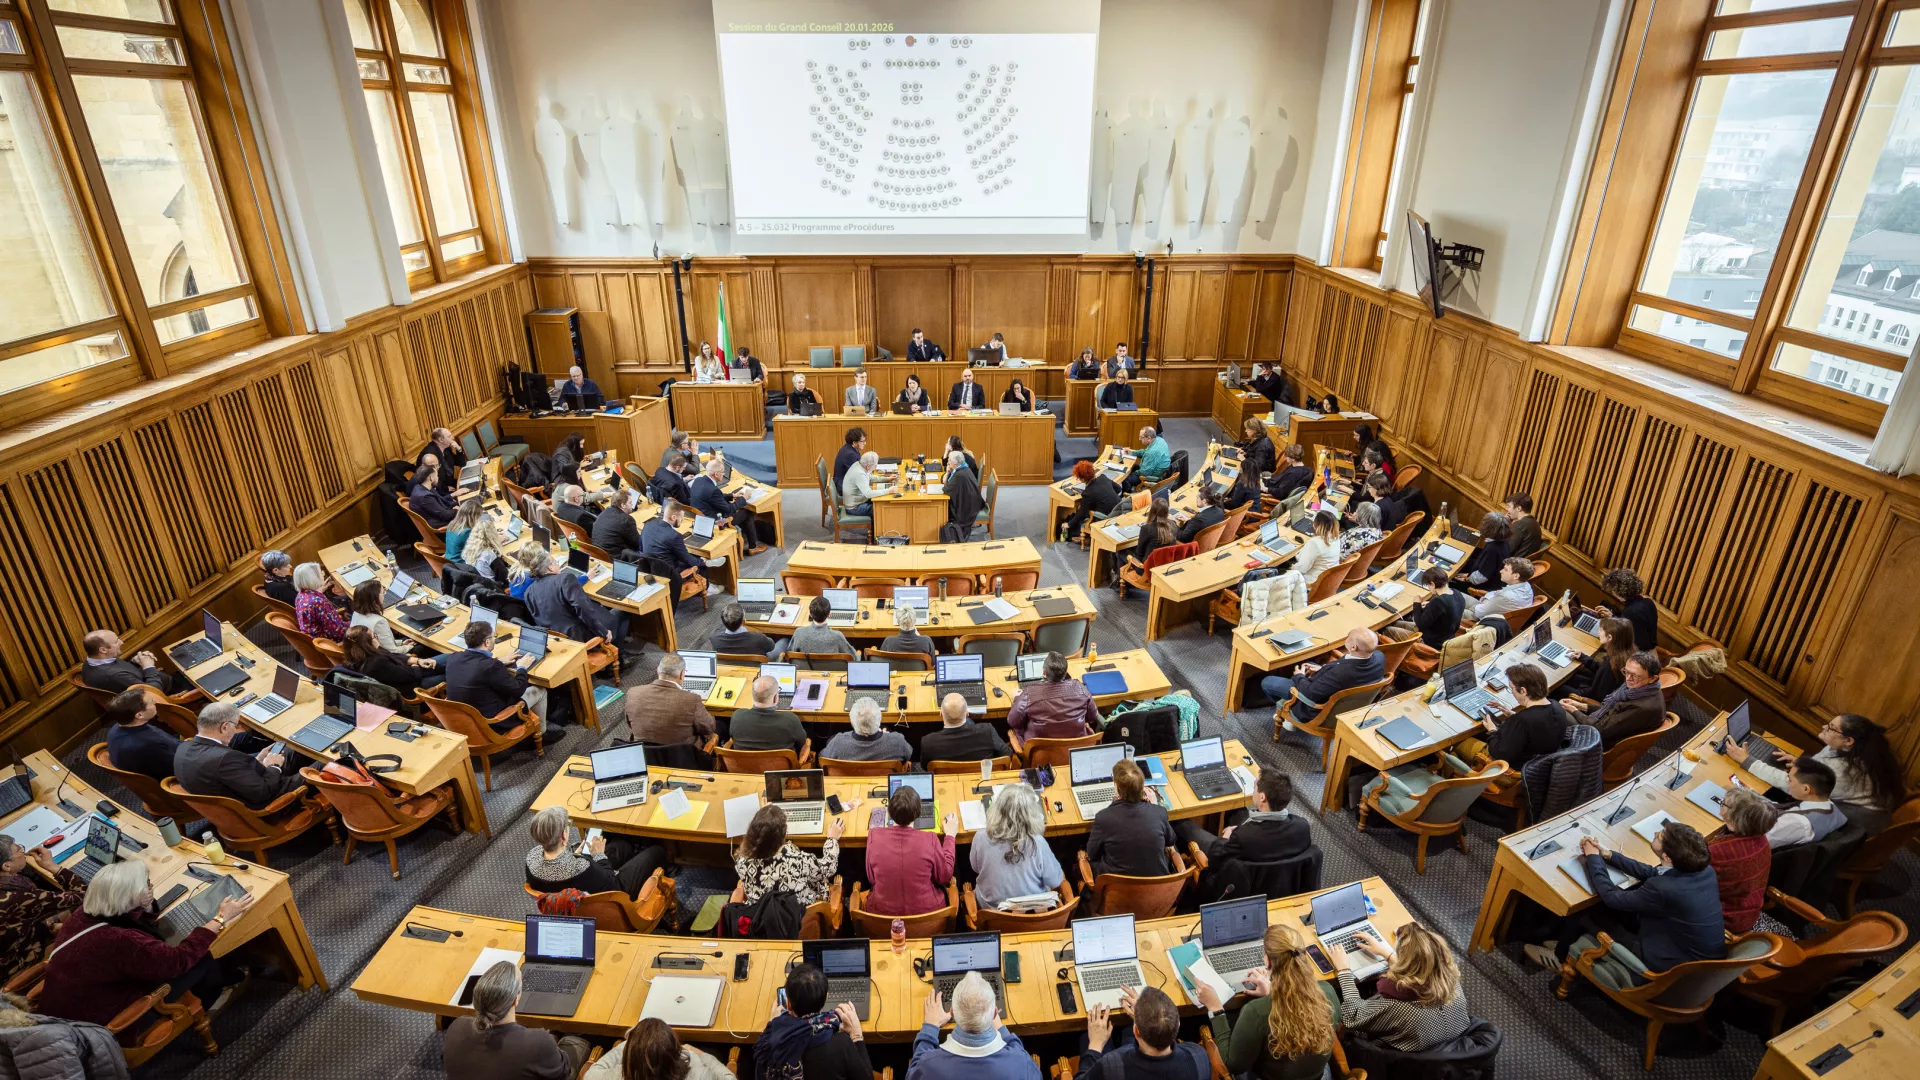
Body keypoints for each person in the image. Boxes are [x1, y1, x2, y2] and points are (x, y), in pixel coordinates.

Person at [37, 860, 250, 1029]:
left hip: (69, 1007)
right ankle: (207, 1002)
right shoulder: (119, 940)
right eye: (146, 884)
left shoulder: (84, 914)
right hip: (105, 1020)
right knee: (201, 959)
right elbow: (178, 960)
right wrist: (220, 918)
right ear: (128, 896)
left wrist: (144, 905)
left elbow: (128, 921)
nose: (151, 886)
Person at [1531, 821, 1725, 982]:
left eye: (1660, 836)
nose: (1655, 833)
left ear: (1667, 856)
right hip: (1687, 952)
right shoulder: (1703, 871)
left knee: (1587, 912)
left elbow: (1611, 898)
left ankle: (1560, 957)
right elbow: (1653, 872)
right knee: (1622, 897)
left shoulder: (1665, 888)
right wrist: (1608, 855)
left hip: (1669, 966)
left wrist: (1592, 858)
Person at [1197, 924, 1337, 1080]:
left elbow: (1233, 1065)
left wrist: (1216, 1008)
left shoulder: (1257, 1012)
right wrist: (1272, 993)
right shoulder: (1328, 992)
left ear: (1268, 961)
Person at [1731, 713, 1905, 833]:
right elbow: (1821, 767)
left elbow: (1791, 785)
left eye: (1831, 728)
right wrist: (1802, 763)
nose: (1824, 727)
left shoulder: (1845, 771)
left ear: (1848, 740)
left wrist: (1747, 761)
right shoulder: (1854, 750)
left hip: (1852, 826)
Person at [443, 960, 592, 1080]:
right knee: (576, 1039)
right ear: (516, 1000)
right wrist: (549, 1043)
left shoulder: (457, 1026)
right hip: (552, 1061)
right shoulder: (538, 1042)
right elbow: (563, 1072)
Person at [1334, 922, 1471, 1052]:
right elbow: (1420, 974)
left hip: (1392, 1053)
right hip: (1446, 1047)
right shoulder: (1451, 983)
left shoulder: (1396, 1005)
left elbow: (1352, 1015)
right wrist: (1388, 955)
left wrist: (1344, 970)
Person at [174, 703, 305, 809]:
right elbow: (263, 792)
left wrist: (258, 760)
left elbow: (233, 773)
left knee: (293, 749)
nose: (236, 730)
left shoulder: (183, 748)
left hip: (239, 791)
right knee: (317, 765)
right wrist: (274, 766)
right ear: (224, 727)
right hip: (269, 803)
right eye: (236, 726)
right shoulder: (224, 758)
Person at [907, 971, 1037, 1080]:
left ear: (952, 1013)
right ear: (995, 1013)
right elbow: (1020, 1055)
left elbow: (914, 1071)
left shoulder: (928, 1065)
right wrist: (1002, 1030)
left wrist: (930, 1026)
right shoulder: (1021, 1062)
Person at [1177, 770, 1312, 872]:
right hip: (1276, 874)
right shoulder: (1303, 826)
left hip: (1235, 870)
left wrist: (1226, 837)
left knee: (1182, 823)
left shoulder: (1243, 837)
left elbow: (1216, 857)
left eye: (1255, 788)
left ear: (1262, 797)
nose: (1253, 791)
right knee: (1239, 810)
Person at [525, 804, 667, 899]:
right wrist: (599, 854)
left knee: (620, 846)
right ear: (563, 836)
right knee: (656, 852)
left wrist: (576, 855)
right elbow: (612, 885)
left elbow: (558, 872)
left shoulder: (531, 859)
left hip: (575, 893)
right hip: (614, 895)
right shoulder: (582, 867)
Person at [757, 963, 871, 1080]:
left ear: (789, 1005)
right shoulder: (841, 1043)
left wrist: (772, 1025)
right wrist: (856, 1035)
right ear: (826, 998)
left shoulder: (769, 1044)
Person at [1457, 662, 1568, 778]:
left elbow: (1499, 753)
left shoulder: (1523, 720)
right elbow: (1537, 727)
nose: (1512, 692)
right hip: (1541, 766)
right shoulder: (1556, 706)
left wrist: (1492, 730)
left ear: (1523, 691)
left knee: (1461, 742)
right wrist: (1512, 715)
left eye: (1512, 688)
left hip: (1515, 772)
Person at [1077, 985, 1207, 1080]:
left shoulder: (1111, 1066)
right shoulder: (1198, 1056)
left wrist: (1095, 1045)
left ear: (1136, 1031)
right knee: (1126, 1034)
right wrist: (1146, 1016)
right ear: (1178, 1024)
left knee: (1086, 1038)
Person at [0, 833, 84, 979]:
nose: (23, 851)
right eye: (19, 850)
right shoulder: (20, 896)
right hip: (14, 961)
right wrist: (52, 866)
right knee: (86, 911)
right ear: (7, 866)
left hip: (9, 938)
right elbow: (84, 895)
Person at [865, 784, 958, 916]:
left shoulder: (874, 836)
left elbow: (872, 879)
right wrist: (950, 836)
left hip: (881, 916)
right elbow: (945, 877)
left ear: (890, 811)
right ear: (918, 813)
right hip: (929, 916)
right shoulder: (930, 839)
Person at [969, 783, 1064, 908]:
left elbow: (975, 868)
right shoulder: (1038, 843)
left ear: (997, 809)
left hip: (992, 912)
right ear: (1031, 814)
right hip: (1033, 912)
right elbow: (1055, 881)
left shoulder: (980, 837)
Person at [446, 620, 550, 731]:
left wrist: (499, 661)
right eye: (493, 637)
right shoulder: (491, 666)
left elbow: (474, 668)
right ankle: (540, 732)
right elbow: (518, 689)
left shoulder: (453, 658)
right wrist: (522, 667)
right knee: (540, 691)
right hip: (494, 722)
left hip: (465, 720)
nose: (494, 639)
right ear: (487, 642)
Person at [1266, 627, 1385, 723]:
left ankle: (1287, 712)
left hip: (1314, 708)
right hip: (1343, 693)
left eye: (1348, 637)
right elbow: (1345, 669)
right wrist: (1323, 669)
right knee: (1312, 664)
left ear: (1353, 647)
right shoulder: (1379, 657)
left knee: (1267, 682)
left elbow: (1310, 693)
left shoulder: (1340, 673)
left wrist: (1299, 676)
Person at [735, 804, 842, 907]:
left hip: (762, 916)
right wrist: (832, 839)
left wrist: (765, 820)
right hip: (800, 915)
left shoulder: (741, 863)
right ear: (783, 835)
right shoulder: (799, 861)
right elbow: (829, 867)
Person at [1087, 758, 1177, 877]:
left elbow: (1092, 853)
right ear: (1142, 787)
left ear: (1116, 787)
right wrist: (1154, 806)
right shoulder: (1159, 812)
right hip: (1156, 884)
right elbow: (1171, 841)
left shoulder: (1103, 818)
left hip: (1117, 885)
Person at [525, 545, 630, 645]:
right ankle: (616, 650)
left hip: (557, 640)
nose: (558, 565)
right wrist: (603, 631)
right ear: (550, 568)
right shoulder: (565, 579)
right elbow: (582, 608)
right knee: (622, 611)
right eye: (556, 562)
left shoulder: (528, 593)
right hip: (581, 636)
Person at [1566, 651, 1664, 749]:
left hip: (1603, 741)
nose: (1628, 679)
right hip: (1606, 726)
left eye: (1635, 675)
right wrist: (1581, 706)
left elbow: (1599, 729)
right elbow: (1610, 709)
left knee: (1560, 712)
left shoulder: (1641, 708)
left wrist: (1573, 710)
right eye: (1626, 672)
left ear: (1652, 678)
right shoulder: (1645, 688)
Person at [1711, 788, 1777, 934]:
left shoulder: (1718, 852)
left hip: (1724, 920)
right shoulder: (1762, 840)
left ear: (1732, 815)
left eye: (1723, 803)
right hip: (1750, 909)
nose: (1721, 804)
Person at [626, 653, 715, 750]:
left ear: (658, 670)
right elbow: (708, 728)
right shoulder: (692, 699)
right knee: (720, 725)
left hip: (645, 754)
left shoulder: (633, 693)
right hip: (682, 756)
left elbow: (630, 723)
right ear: (682, 674)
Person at [1005, 652, 1098, 742]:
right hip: (1076, 746)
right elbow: (1093, 716)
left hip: (1040, 750)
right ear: (1065, 672)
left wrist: (1017, 698)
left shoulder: (1028, 694)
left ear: (1044, 672)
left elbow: (1012, 721)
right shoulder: (1081, 688)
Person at [1762, 756, 1848, 850]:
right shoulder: (1828, 805)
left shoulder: (1794, 822)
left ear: (1806, 789)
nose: (1787, 782)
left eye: (1790, 780)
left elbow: (1759, 843)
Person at [102, 687, 180, 783]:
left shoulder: (116, 728)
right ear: (139, 715)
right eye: (151, 702)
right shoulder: (149, 744)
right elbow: (179, 767)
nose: (155, 702)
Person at [641, 500, 711, 603]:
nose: (682, 520)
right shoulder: (674, 536)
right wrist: (702, 561)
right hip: (669, 574)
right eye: (681, 518)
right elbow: (687, 559)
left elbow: (641, 546)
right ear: (673, 517)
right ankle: (706, 588)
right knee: (699, 562)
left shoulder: (648, 525)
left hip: (651, 569)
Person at [341, 626, 440, 693]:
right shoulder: (377, 662)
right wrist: (415, 664)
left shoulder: (353, 660)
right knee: (447, 664)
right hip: (413, 688)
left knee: (440, 661)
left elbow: (392, 656)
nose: (377, 638)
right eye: (374, 636)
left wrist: (417, 660)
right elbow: (411, 675)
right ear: (367, 644)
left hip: (404, 677)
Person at [919, 692, 1012, 764]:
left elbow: (925, 766)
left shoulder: (927, 742)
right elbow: (1007, 754)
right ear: (967, 713)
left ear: (941, 714)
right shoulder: (987, 730)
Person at [1558, 617, 1633, 704]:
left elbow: (1596, 695)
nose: (1598, 633)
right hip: (1595, 684)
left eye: (1601, 630)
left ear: (1609, 637)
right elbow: (1600, 670)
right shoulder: (1627, 653)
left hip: (1589, 697)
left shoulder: (1610, 666)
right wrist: (1583, 657)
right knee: (1572, 675)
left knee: (1558, 687)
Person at [79, 630, 175, 697]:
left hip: (160, 682)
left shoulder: (91, 661)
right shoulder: (114, 676)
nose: (121, 642)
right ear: (103, 650)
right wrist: (149, 666)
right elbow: (153, 695)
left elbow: (125, 674)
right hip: (167, 691)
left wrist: (135, 662)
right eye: (116, 642)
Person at [1117, 499, 1177, 600]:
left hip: (1145, 569)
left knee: (1121, 551)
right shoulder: (1173, 525)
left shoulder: (1147, 528)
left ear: (1152, 511)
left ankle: (1122, 584)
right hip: (1164, 567)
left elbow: (1139, 553)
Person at [731, 676, 808, 752]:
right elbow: (802, 744)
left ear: (753, 695)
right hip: (780, 760)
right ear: (775, 698)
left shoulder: (737, 716)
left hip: (743, 760)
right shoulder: (791, 720)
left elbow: (732, 738)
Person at [822, 698, 913, 763]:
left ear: (852, 723)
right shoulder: (897, 741)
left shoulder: (837, 743)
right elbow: (909, 754)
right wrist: (887, 737)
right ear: (880, 720)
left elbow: (822, 758)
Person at [1396, 569, 1465, 648]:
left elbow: (1420, 625)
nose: (1429, 588)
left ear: (1432, 584)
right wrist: (1430, 605)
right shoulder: (1457, 594)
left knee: (1387, 629)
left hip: (1431, 642)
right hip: (1446, 636)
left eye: (1428, 585)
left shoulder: (1438, 601)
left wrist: (1416, 604)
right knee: (1396, 623)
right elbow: (1446, 608)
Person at [1592, 567, 1658, 650]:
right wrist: (1612, 617)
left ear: (1618, 592)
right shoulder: (1648, 602)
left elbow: (1628, 640)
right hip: (1650, 651)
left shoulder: (1631, 612)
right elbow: (1633, 626)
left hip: (1637, 654)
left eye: (1613, 591)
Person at [1463, 556, 1536, 626]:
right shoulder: (1526, 586)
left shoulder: (1507, 597)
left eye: (1505, 570)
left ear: (1516, 576)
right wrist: (1487, 600)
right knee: (1456, 594)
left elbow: (1479, 612)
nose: (1501, 571)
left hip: (1478, 618)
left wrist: (1486, 600)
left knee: (1455, 604)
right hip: (1486, 606)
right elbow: (1494, 593)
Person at [1063, 459, 1122, 543]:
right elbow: (1118, 488)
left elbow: (1082, 513)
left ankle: (1086, 537)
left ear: (1082, 479)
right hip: (1119, 509)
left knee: (1079, 513)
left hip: (1106, 517)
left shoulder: (1088, 493)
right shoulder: (1103, 477)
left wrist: (1068, 524)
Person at [292, 562, 349, 643]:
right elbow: (336, 631)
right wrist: (354, 626)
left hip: (317, 638)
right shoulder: (317, 602)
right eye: (320, 573)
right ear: (313, 578)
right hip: (329, 640)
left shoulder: (301, 595)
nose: (323, 574)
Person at [1454, 511, 1512, 590]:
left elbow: (1482, 576)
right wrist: (1469, 575)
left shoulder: (1492, 549)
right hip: (1485, 578)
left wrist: (1466, 579)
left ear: (1489, 528)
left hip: (1482, 587)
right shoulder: (1504, 542)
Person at [591, 487, 646, 563]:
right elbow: (637, 544)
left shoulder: (605, 512)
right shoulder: (626, 519)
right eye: (630, 503)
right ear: (623, 505)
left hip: (600, 555)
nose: (632, 505)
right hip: (616, 559)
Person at [712, 601, 782, 659]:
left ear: (724, 622)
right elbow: (771, 646)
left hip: (730, 667)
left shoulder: (715, 639)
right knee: (784, 640)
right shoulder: (758, 638)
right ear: (744, 622)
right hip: (758, 665)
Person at [1291, 511, 1343, 589]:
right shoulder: (1336, 538)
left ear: (1316, 524)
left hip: (1310, 584)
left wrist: (1291, 567)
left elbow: (1302, 569)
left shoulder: (1315, 543)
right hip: (1327, 583)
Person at [790, 595, 856, 656]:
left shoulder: (799, 633)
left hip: (807, 665)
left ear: (810, 614)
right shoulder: (838, 636)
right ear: (829, 614)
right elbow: (852, 657)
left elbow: (791, 654)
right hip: (831, 665)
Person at [462, 515, 514, 586]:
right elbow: (505, 577)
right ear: (492, 535)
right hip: (495, 587)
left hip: (479, 585)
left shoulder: (469, 549)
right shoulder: (489, 555)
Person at [944, 451, 984, 538]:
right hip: (974, 501)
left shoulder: (960, 475)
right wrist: (948, 472)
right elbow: (946, 484)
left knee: (944, 505)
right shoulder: (963, 467)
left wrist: (947, 473)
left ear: (955, 463)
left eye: (949, 460)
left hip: (969, 507)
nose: (948, 462)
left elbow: (946, 489)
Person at [408, 464, 457, 528]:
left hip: (444, 516)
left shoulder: (422, 487)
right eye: (437, 476)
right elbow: (445, 515)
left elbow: (443, 501)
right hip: (443, 524)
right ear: (431, 478)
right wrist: (457, 510)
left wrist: (458, 504)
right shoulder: (425, 497)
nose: (438, 478)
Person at [1127, 425, 1172, 493]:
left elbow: (1144, 473)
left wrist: (1131, 473)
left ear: (1149, 438)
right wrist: (1132, 452)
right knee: (1132, 467)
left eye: (1141, 437)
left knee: (1126, 479)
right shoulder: (1159, 440)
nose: (1139, 439)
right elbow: (1146, 452)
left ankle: (1128, 492)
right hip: (1154, 469)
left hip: (1152, 477)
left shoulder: (1152, 452)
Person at [1504, 492, 1543, 558]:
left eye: (1509, 506)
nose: (1506, 509)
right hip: (1522, 562)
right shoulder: (1535, 524)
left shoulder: (1519, 525)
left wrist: (1504, 525)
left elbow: (1505, 551)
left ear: (1519, 508)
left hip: (1511, 562)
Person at [842, 450, 878, 517]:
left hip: (859, 500)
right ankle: (875, 524)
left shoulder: (858, 464)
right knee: (879, 508)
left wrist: (887, 479)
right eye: (875, 466)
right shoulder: (860, 474)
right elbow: (868, 494)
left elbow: (869, 477)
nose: (875, 467)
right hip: (854, 508)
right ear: (868, 467)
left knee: (879, 499)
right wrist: (889, 490)